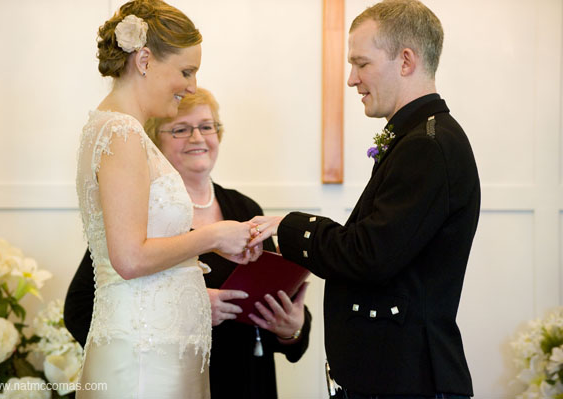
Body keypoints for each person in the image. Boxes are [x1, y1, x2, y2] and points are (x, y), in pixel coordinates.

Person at [249, 1, 479, 398]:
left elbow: (370, 255)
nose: (352, 79)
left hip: (410, 383)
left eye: (362, 63)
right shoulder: (419, 137)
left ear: (405, 60)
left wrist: (288, 227)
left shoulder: (428, 145)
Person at [67, 87, 312, 398]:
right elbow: (80, 307)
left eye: (207, 126)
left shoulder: (244, 208)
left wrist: (293, 328)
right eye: (181, 129)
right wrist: (185, 307)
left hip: (248, 379)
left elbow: (271, 291)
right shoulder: (145, 213)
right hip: (173, 380)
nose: (197, 138)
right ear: (155, 140)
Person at [74, 1, 262, 398]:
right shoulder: (122, 133)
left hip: (156, 349)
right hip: (143, 359)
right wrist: (213, 237)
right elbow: (130, 258)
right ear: (143, 59)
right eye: (185, 71)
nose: (191, 85)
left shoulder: (118, 129)